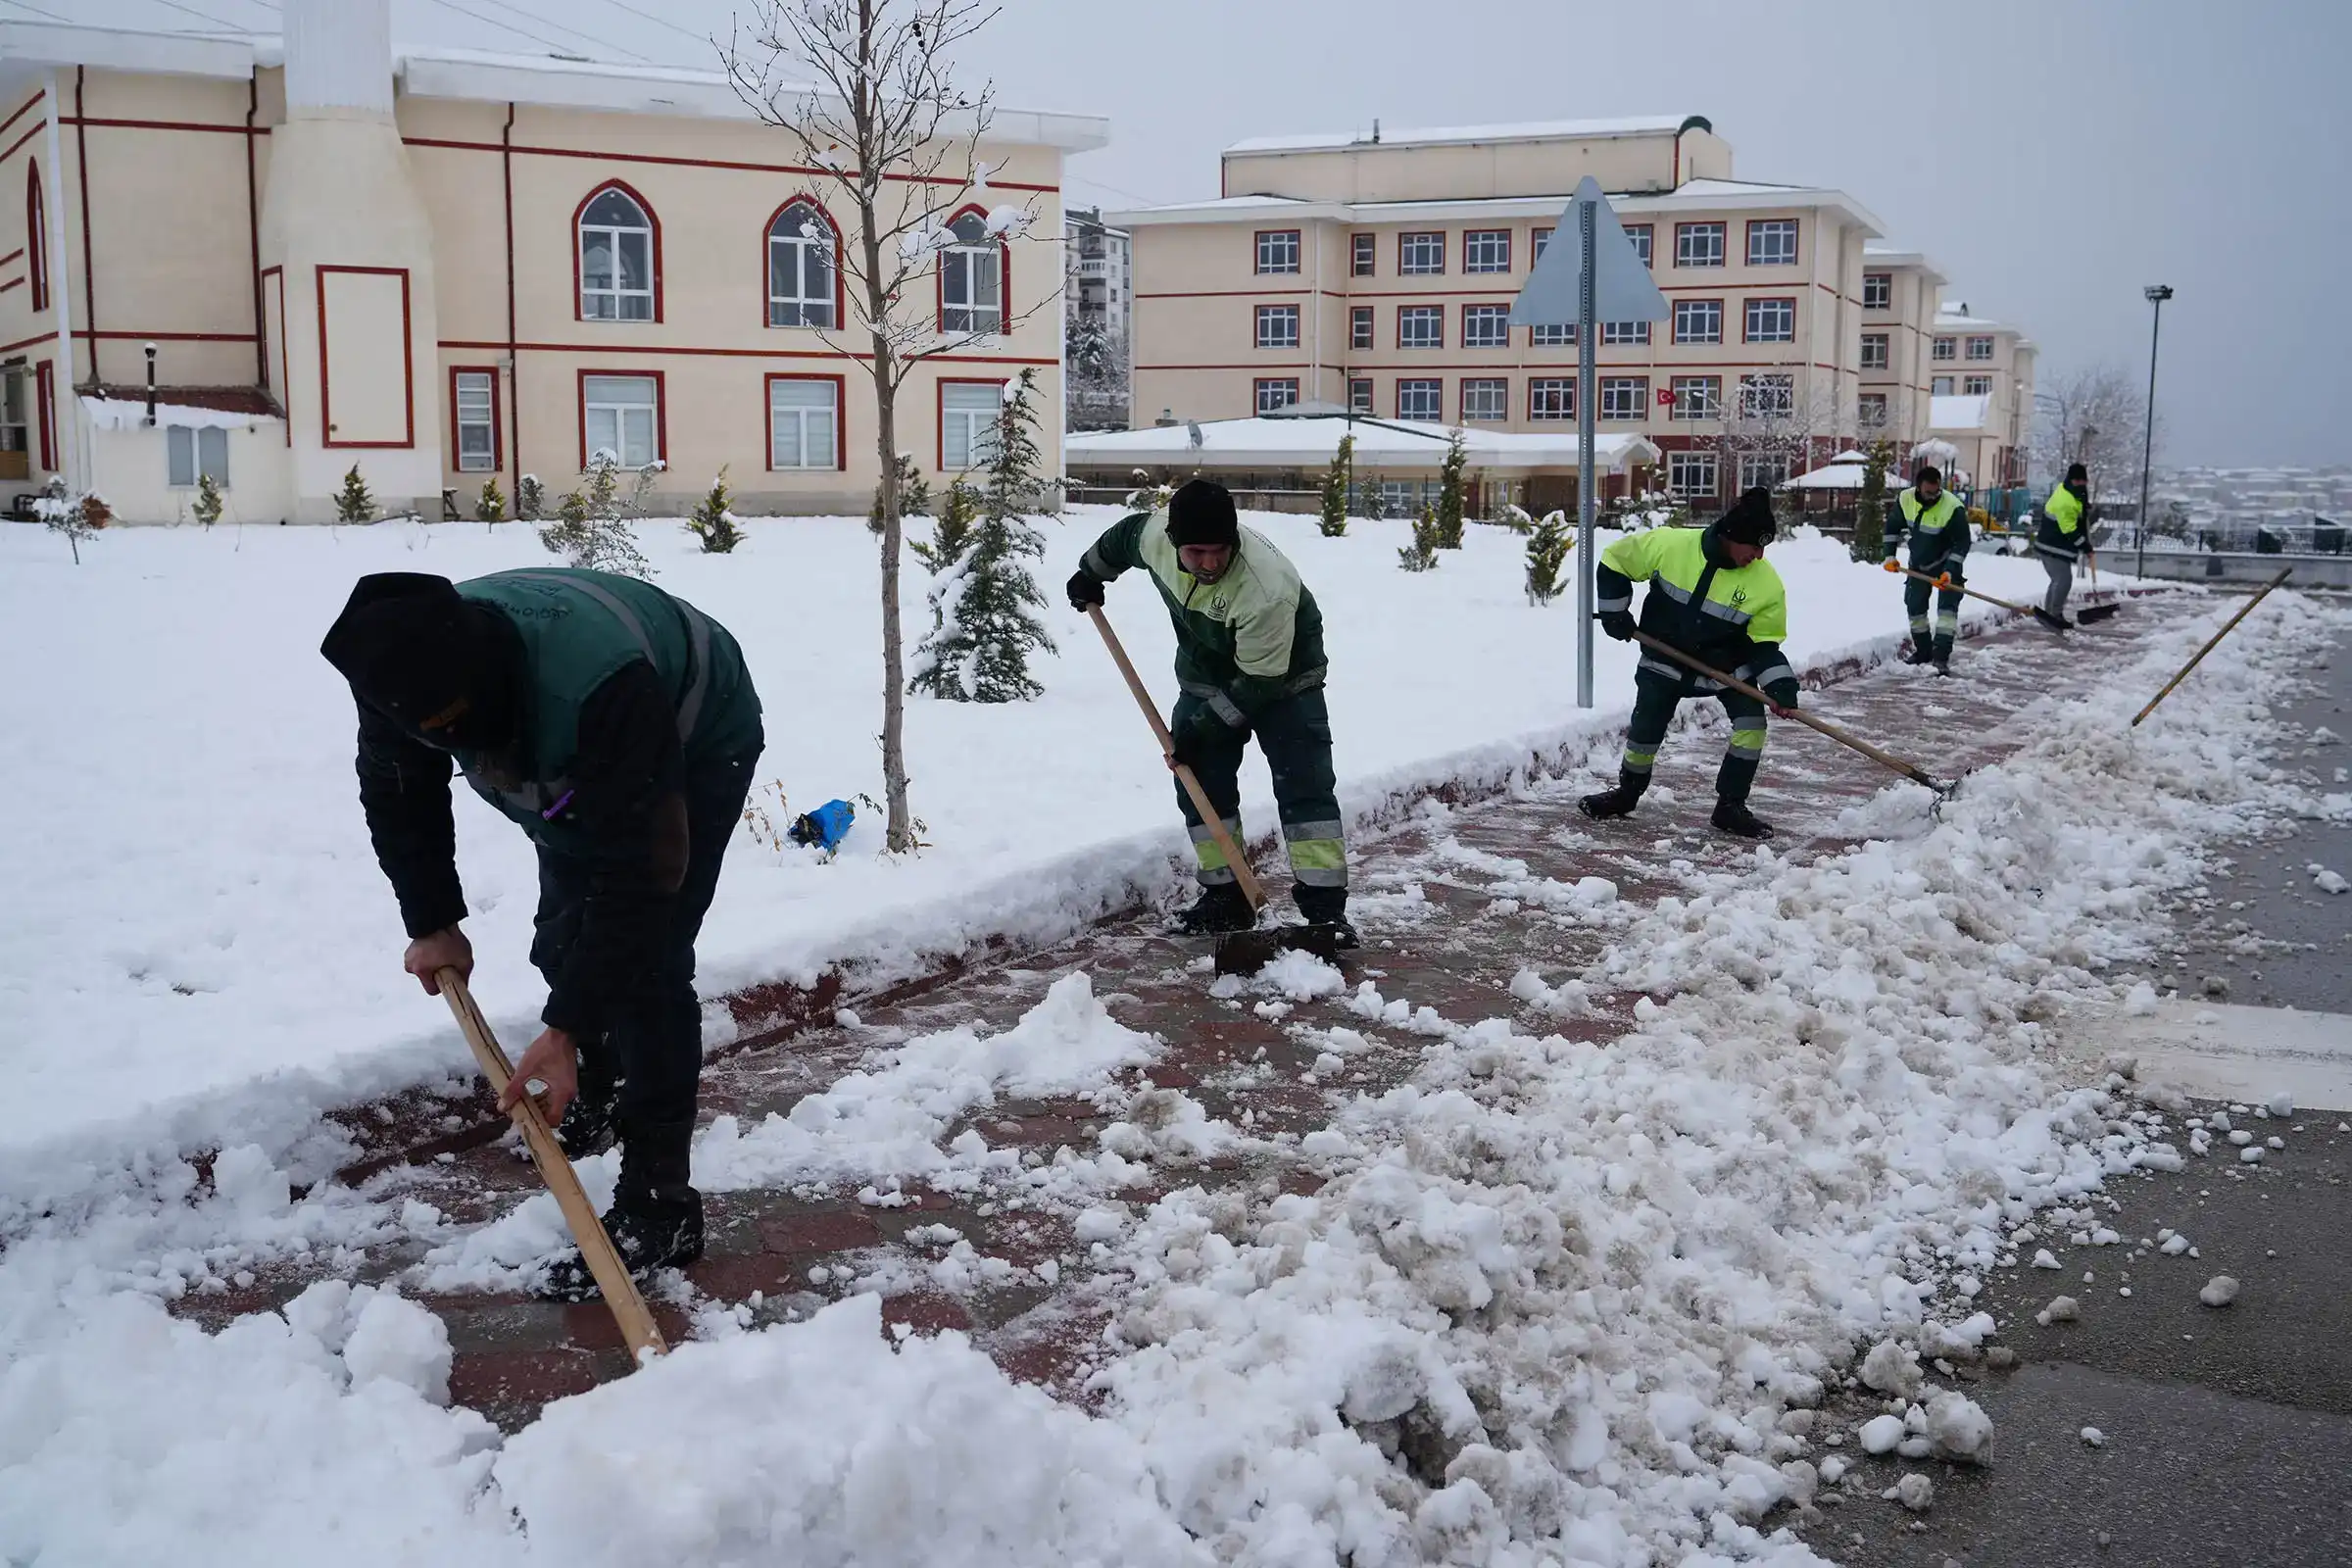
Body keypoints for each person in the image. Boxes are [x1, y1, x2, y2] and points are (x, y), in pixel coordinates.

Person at [320, 567, 762, 1298]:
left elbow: (641, 883)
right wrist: (432, 921)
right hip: (575, 738)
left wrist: (564, 1027)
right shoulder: (394, 667)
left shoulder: (597, 689)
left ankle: (660, 1212)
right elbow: (400, 791)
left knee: (649, 969)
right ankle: (596, 1086)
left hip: (696, 726)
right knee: (564, 938)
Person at [1066, 478, 1351, 942]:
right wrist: (1090, 573)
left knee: (1305, 786)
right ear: (1174, 542)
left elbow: (1260, 682)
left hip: (1285, 681)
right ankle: (1226, 898)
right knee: (1200, 782)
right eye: (1197, 552)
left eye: (1219, 550)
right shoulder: (1155, 538)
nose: (1210, 562)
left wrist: (1200, 730)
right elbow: (1125, 536)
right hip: (1206, 671)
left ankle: (1325, 912)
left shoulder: (1265, 588)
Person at [1579, 487, 1801, 839]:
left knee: (1751, 725)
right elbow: (1615, 561)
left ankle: (1730, 806)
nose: (1758, 556)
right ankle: (1627, 792)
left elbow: (1765, 644)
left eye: (1764, 548)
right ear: (1731, 536)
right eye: (1753, 546)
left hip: (1728, 669)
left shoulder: (1766, 585)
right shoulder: (1671, 546)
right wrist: (1614, 612)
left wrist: (1781, 686)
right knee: (1646, 727)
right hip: (1665, 659)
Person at [1885, 465, 1971, 674]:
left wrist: (1949, 571)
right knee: (1915, 607)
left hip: (1947, 565)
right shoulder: (1905, 499)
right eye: (1928, 492)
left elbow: (1962, 542)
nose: (1933, 496)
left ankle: (1941, 658)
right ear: (1918, 487)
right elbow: (1892, 527)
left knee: (1946, 614)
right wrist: (1890, 556)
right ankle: (1923, 652)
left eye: (1936, 491)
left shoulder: (1953, 507)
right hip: (1919, 565)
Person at [2035, 463, 2094, 627]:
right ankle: (2054, 615)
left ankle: (2050, 614)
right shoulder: (2065, 501)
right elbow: (2069, 530)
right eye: (2079, 481)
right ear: (2073, 480)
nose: (2082, 484)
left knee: (2057, 580)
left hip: (2055, 545)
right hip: (2051, 546)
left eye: (2084, 481)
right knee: (2063, 580)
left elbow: (2078, 512)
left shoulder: (2070, 490)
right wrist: (2085, 547)